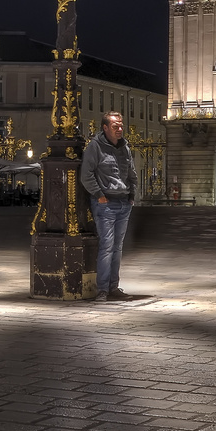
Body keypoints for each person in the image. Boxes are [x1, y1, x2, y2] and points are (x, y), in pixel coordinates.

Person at [80, 111, 138, 303]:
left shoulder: (125, 147)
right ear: (105, 128)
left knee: (117, 248)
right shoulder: (95, 147)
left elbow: (131, 173)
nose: (120, 129)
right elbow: (86, 175)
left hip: (123, 203)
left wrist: (131, 195)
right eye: (115, 126)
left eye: (121, 125)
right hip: (105, 204)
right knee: (106, 247)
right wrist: (100, 196)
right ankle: (102, 290)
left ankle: (113, 287)